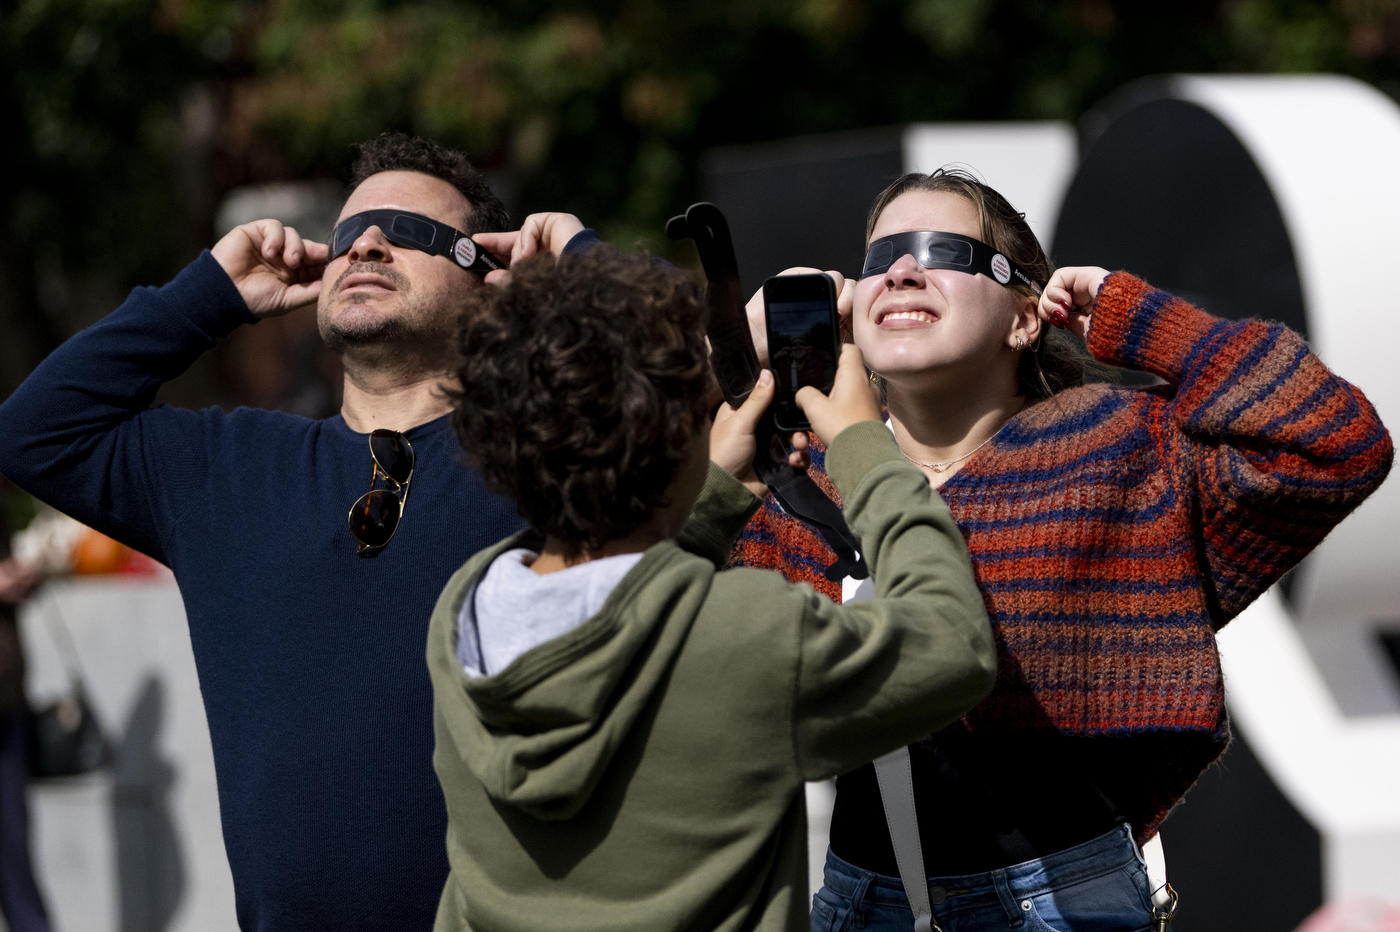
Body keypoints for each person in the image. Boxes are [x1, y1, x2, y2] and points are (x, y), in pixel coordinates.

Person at [730, 169, 1393, 931]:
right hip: (859, 901)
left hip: (1066, 900)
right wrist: (741, 373)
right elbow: (651, 603)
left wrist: (1137, 317)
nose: (902, 270)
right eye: (879, 260)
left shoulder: (1120, 449)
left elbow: (1333, 442)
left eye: (942, 250)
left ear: (1024, 316)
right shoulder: (802, 479)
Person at [0, 132, 594, 931]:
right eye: (350, 235)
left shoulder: (559, 463)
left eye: (412, 233)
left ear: (489, 288)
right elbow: (33, 431)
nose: (370, 244)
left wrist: (586, 278)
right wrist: (207, 294)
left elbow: (712, 395)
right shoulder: (227, 468)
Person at [427, 247, 997, 932]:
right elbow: (953, 644)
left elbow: (617, 623)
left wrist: (706, 502)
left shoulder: (462, 613)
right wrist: (866, 447)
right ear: (680, 433)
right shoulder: (749, 635)